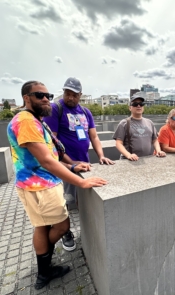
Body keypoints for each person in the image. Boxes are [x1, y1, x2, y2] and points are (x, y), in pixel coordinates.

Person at [7, 80, 107, 289]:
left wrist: (72, 167)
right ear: (27, 98)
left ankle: (44, 270)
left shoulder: (35, 119)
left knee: (43, 226)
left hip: (41, 183)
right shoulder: (26, 121)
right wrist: (82, 181)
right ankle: (44, 267)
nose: (45, 99)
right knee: (62, 226)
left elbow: (51, 154)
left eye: (47, 95)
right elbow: (45, 160)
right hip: (38, 185)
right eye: (39, 95)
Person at [44, 77, 114, 252]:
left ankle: (87, 231)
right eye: (67, 93)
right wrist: (70, 162)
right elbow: (52, 141)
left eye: (74, 94)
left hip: (83, 163)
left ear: (80, 95)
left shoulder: (85, 112)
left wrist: (101, 155)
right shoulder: (55, 109)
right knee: (63, 202)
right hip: (63, 165)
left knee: (81, 199)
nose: (70, 97)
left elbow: (94, 136)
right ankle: (65, 233)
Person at [113, 92, 166, 160]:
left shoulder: (149, 122)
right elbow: (118, 143)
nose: (138, 106)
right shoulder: (124, 123)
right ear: (130, 108)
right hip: (130, 161)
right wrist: (129, 155)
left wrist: (158, 151)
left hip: (148, 159)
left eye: (141, 104)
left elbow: (155, 140)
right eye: (135, 104)